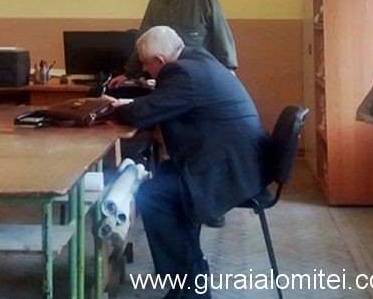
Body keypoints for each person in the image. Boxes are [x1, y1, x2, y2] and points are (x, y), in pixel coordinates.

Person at [104, 26, 268, 299]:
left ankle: (191, 289)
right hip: (237, 160)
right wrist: (131, 106)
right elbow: (161, 103)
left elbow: (143, 113)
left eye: (145, 64)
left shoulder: (181, 73)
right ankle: (191, 281)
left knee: (153, 196)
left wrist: (117, 108)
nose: (144, 70)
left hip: (229, 170)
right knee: (164, 179)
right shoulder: (196, 58)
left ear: (160, 61)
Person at [108, 0, 237, 90]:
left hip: (202, 74)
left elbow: (220, 30)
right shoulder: (155, 3)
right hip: (170, 76)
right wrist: (129, 74)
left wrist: (228, 68)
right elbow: (144, 40)